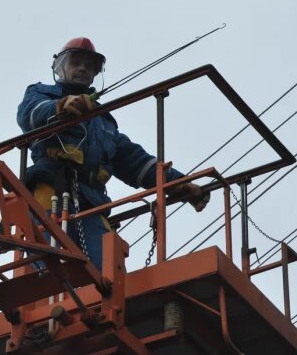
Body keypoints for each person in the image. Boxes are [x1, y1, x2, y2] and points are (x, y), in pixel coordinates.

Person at [16, 37, 209, 269]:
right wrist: (60, 107)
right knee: (50, 270)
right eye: (76, 62)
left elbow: (134, 161)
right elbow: (29, 114)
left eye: (89, 66)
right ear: (61, 67)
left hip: (91, 203)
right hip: (50, 193)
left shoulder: (103, 122)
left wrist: (178, 183)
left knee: (109, 274)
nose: (82, 69)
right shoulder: (42, 93)